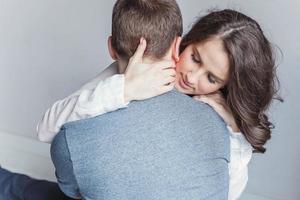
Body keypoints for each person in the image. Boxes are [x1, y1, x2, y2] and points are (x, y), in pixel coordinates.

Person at [38, 4, 280, 200]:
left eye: (211, 78)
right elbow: (46, 128)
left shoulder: (216, 118)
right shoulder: (137, 72)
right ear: (181, 43)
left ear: (224, 87)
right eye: (195, 58)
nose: (191, 77)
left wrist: (235, 131)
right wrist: (124, 89)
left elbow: (225, 192)